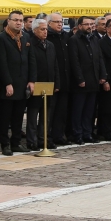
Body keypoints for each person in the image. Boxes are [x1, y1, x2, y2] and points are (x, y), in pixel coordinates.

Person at [0, 11, 37, 156]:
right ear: (9, 21)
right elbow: (1, 63)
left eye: (20, 20)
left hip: (23, 83)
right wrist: (7, 83)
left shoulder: (25, 37)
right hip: (9, 84)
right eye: (16, 20)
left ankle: (16, 142)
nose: (19, 23)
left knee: (18, 116)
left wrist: (31, 80)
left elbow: (31, 60)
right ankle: (5, 143)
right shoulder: (0, 38)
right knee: (5, 117)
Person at [68, 16, 107, 144]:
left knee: (90, 110)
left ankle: (87, 133)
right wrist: (80, 78)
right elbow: (74, 61)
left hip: (94, 80)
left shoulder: (94, 39)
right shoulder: (74, 40)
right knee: (78, 110)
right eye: (86, 24)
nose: (89, 26)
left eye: (91, 24)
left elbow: (99, 58)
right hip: (81, 81)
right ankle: (77, 134)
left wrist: (102, 75)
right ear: (80, 26)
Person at [25, 19, 60, 150]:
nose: (45, 32)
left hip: (49, 82)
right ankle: (32, 140)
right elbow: (30, 65)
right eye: (42, 29)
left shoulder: (50, 45)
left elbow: (55, 64)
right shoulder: (30, 44)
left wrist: (56, 82)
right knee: (33, 115)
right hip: (37, 82)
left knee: (46, 114)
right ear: (35, 31)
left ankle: (43, 139)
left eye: (46, 29)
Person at [46, 12, 71, 145]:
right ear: (49, 23)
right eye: (57, 22)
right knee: (51, 112)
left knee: (62, 111)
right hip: (52, 80)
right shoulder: (48, 37)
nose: (60, 24)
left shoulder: (66, 37)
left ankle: (59, 135)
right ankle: (47, 137)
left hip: (65, 80)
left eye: (61, 22)